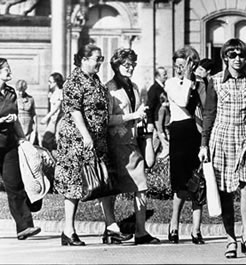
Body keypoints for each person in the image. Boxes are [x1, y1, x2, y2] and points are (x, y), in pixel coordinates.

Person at [198, 38, 246, 258]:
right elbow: (208, 114)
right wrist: (204, 144)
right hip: (222, 135)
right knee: (225, 190)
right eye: (232, 55)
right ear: (225, 57)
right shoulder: (215, 81)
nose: (238, 59)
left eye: (241, 55)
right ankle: (230, 240)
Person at [0, 57, 41, 240]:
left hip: (9, 145)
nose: (10, 72)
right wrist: (0, 120)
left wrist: (24, 139)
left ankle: (24, 227)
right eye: (6, 69)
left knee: (15, 185)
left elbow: (16, 119)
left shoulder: (11, 92)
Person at [100, 47, 160, 245]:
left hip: (132, 143)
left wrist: (141, 120)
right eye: (126, 64)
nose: (130, 67)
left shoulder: (133, 87)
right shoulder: (109, 88)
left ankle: (140, 231)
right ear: (116, 65)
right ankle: (111, 227)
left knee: (140, 185)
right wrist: (134, 116)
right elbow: (106, 119)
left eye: (133, 64)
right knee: (112, 189)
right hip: (115, 143)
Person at [54, 44, 109, 246]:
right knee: (74, 184)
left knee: (100, 181)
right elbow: (75, 111)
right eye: (97, 58)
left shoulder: (94, 79)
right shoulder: (74, 81)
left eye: (101, 58)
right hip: (76, 140)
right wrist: (87, 136)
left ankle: (110, 227)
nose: (100, 62)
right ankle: (68, 230)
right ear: (84, 59)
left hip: (95, 140)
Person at [165, 46, 205, 245]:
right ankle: (174, 225)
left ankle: (196, 230)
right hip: (180, 132)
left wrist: (199, 80)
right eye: (178, 65)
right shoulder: (171, 83)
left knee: (198, 183)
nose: (180, 69)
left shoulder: (200, 84)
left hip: (197, 132)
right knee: (181, 184)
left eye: (185, 65)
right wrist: (188, 79)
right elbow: (181, 100)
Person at [146, 67, 168, 158]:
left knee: (157, 144)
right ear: (158, 76)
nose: (166, 76)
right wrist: (150, 122)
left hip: (161, 121)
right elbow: (149, 106)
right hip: (157, 121)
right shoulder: (154, 89)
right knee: (156, 144)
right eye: (164, 75)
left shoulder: (161, 88)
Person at [40, 72, 64, 151]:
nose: (48, 84)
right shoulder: (53, 93)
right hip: (52, 120)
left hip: (56, 120)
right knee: (47, 141)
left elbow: (56, 107)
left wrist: (46, 117)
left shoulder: (60, 92)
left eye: (50, 82)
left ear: (56, 82)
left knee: (47, 140)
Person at [16, 79, 38, 144]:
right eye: (19, 91)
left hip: (28, 125)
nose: (21, 93)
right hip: (19, 124)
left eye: (22, 91)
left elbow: (33, 113)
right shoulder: (14, 99)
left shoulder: (30, 99)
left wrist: (35, 126)